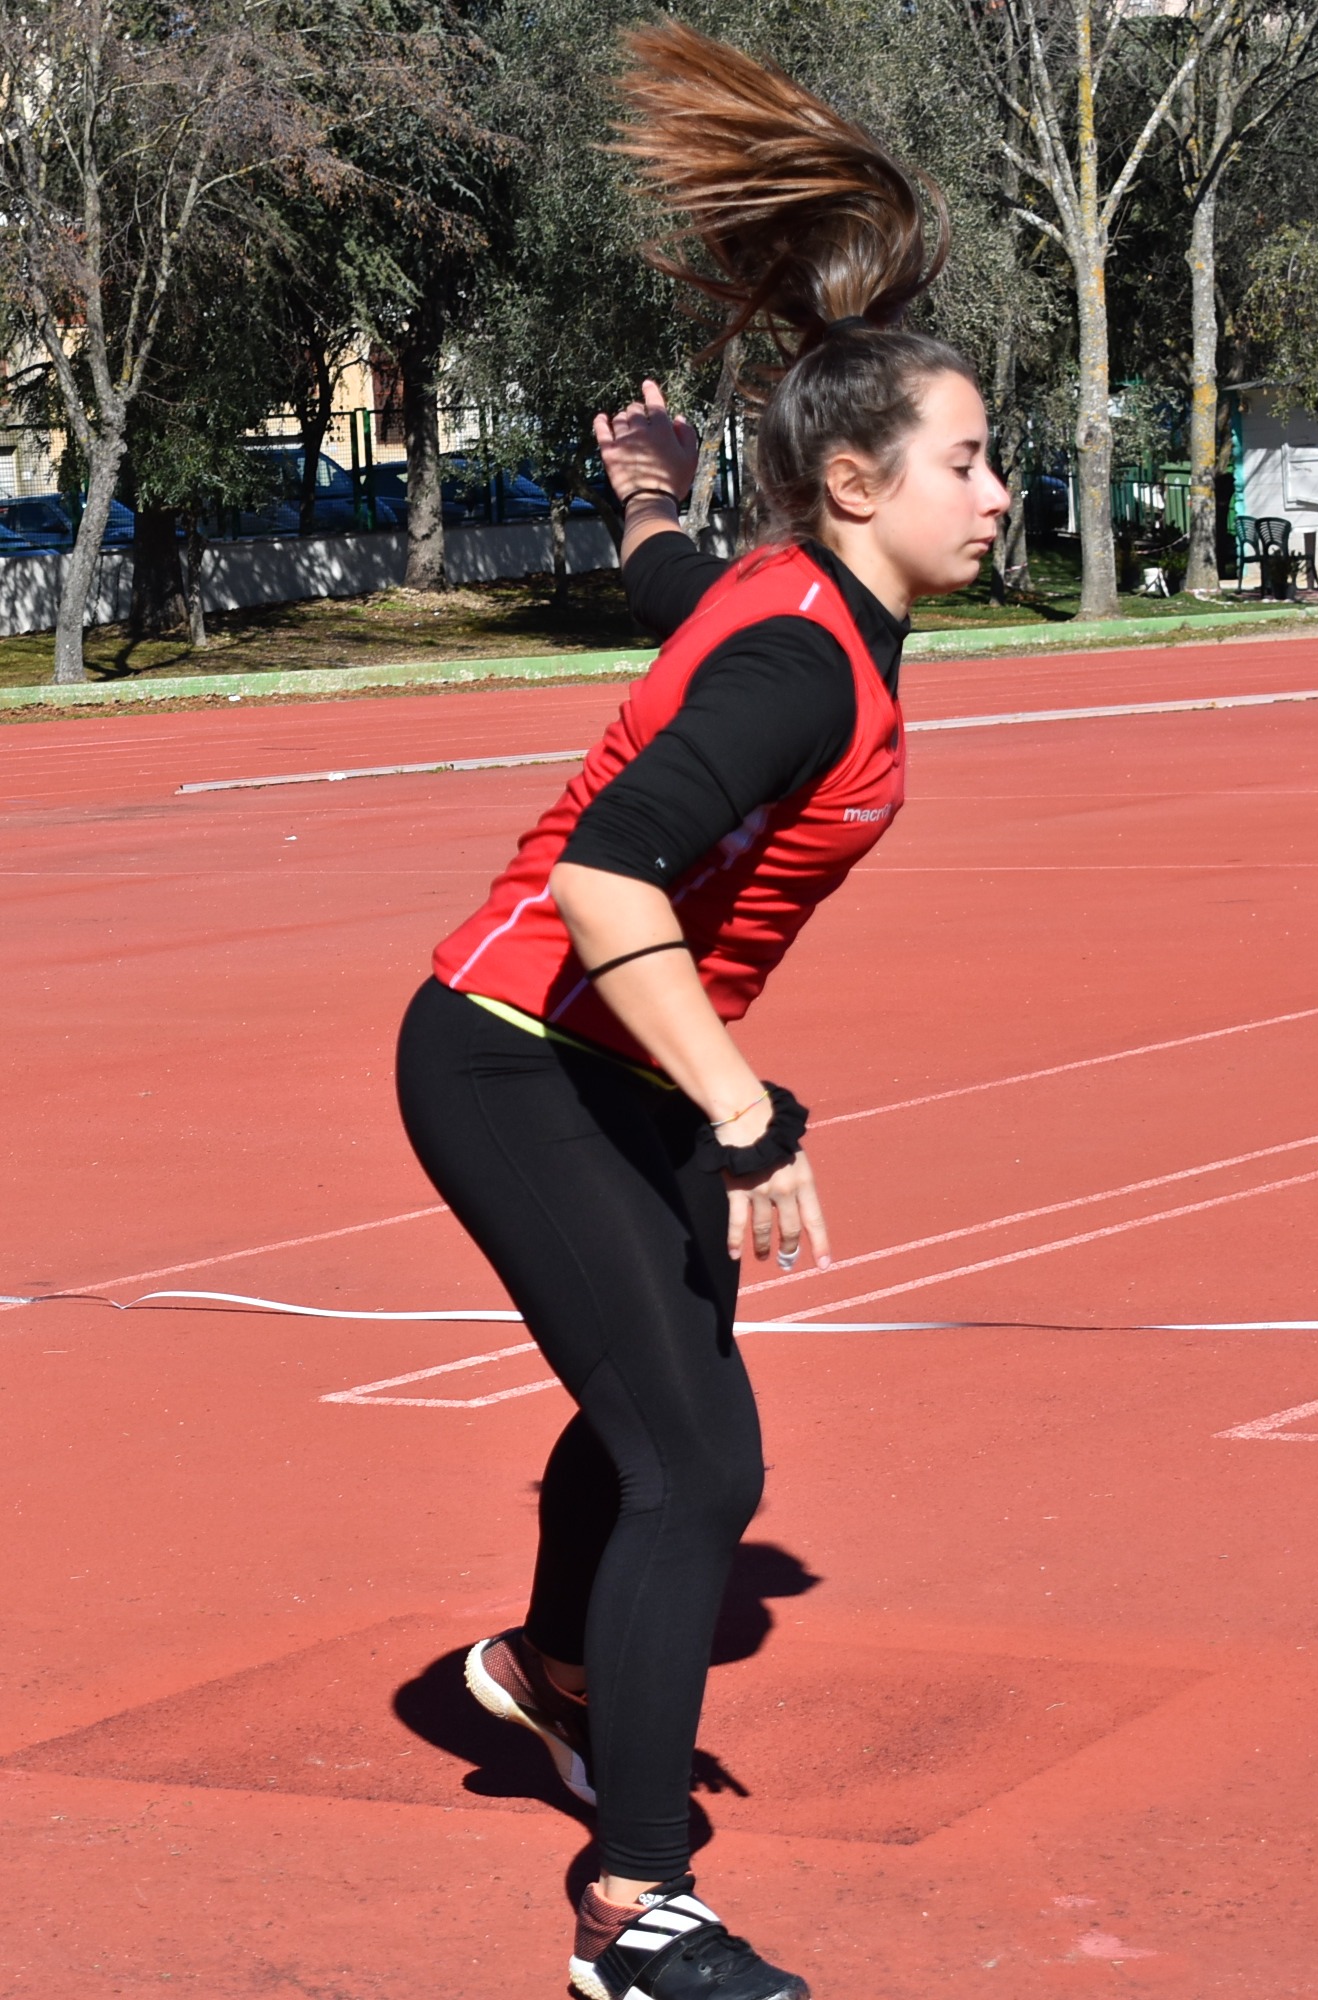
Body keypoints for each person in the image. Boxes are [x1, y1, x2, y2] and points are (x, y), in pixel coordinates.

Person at [394, 21, 1009, 2000]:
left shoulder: (795, 604)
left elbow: (685, 602)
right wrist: (745, 1109)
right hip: (514, 1051)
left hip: (613, 1054)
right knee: (699, 1470)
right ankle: (634, 1909)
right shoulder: (806, 665)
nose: (997, 492)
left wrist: (647, 507)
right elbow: (605, 875)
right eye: (967, 461)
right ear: (857, 480)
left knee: (661, 1407)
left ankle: (548, 1669)